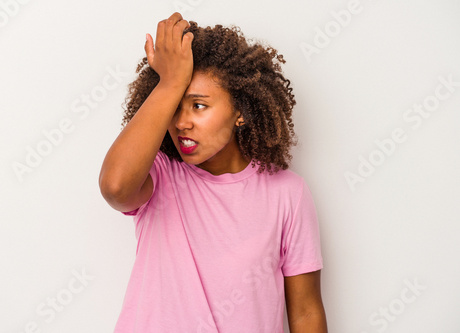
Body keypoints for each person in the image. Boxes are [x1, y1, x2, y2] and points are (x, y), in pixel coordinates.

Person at [99, 12, 328, 333]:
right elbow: (115, 187)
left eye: (199, 105)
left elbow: (305, 312)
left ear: (240, 112)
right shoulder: (158, 175)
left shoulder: (287, 193)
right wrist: (170, 82)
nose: (181, 123)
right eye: (175, 106)